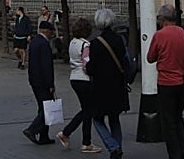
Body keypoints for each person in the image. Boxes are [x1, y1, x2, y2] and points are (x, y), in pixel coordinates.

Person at [146, 5, 184, 159]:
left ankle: (175, 155)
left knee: (168, 122)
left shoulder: (159, 35)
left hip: (166, 84)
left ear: (162, 19)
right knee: (178, 118)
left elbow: (150, 58)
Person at [86, 8, 130, 159]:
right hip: (117, 85)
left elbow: (91, 68)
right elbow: (125, 61)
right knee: (114, 118)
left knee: (97, 118)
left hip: (100, 87)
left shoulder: (95, 43)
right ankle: (117, 149)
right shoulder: (120, 40)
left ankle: (113, 146)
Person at [56, 16, 101, 153]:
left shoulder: (73, 43)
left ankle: (84, 141)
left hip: (74, 77)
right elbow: (87, 64)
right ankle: (69, 134)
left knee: (86, 110)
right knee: (88, 110)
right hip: (84, 78)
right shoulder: (85, 45)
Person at [22, 20, 57, 146]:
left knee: (43, 107)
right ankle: (32, 130)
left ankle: (43, 136)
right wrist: (50, 84)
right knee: (47, 109)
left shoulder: (35, 42)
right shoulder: (44, 44)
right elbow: (46, 66)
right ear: (46, 31)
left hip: (34, 80)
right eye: (51, 32)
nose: (52, 34)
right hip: (43, 82)